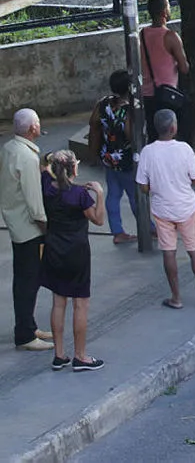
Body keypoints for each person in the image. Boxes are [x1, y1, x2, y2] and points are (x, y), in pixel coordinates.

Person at [136, 110, 195, 310]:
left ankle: (176, 297)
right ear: (173, 128)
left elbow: (143, 187)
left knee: (169, 252)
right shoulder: (184, 149)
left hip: (162, 209)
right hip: (186, 207)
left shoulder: (147, 152)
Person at [39, 149, 105, 372]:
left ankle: (59, 355)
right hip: (76, 252)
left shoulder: (48, 188)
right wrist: (100, 194)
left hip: (54, 250)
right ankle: (81, 356)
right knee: (80, 303)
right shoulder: (80, 195)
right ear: (73, 169)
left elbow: (44, 166)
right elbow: (98, 220)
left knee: (59, 302)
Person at [0, 108, 53, 351]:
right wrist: (46, 228)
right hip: (29, 228)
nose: (40, 126)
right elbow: (35, 202)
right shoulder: (28, 157)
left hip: (15, 222)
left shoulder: (10, 148)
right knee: (28, 281)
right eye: (38, 123)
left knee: (24, 279)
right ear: (33, 128)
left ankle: (29, 326)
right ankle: (25, 334)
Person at [87, 70, 138, 244]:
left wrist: (94, 153)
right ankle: (148, 227)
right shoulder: (129, 109)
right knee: (135, 194)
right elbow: (130, 133)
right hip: (125, 158)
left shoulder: (103, 104)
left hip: (108, 156)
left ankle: (117, 231)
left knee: (113, 194)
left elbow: (93, 125)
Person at [141, 0, 190, 142]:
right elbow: (184, 68)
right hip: (167, 94)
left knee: (153, 133)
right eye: (168, 7)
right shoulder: (170, 36)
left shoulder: (142, 34)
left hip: (147, 93)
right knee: (170, 134)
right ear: (164, 13)